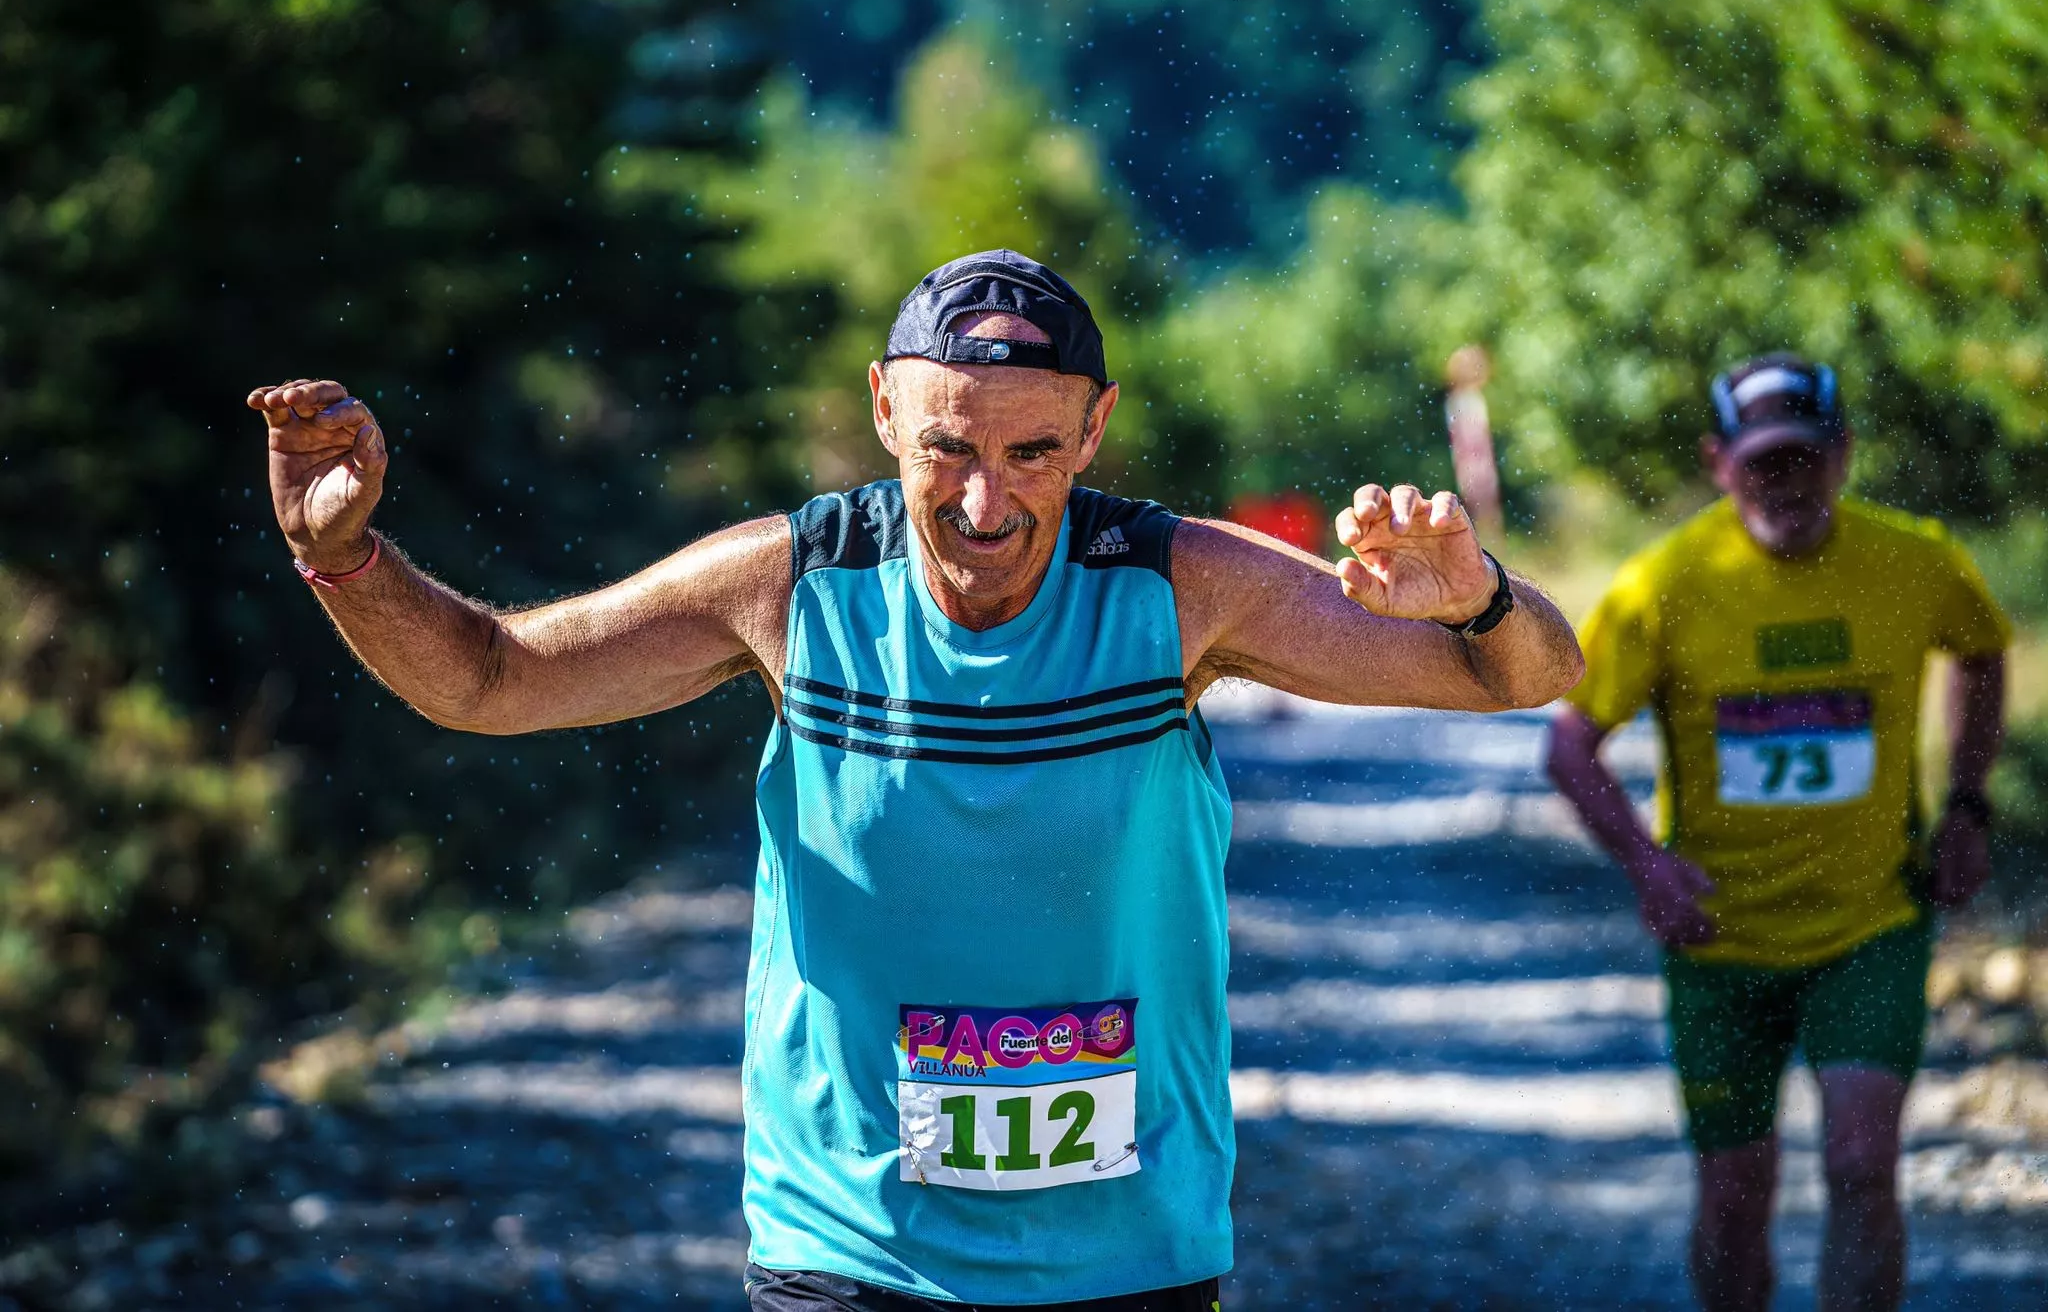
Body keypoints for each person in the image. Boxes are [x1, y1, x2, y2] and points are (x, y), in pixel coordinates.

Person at [249, 249, 1585, 1310]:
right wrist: (350, 558)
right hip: (850, 1247)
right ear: (885, 406)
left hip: (1128, 1253)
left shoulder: (1180, 590)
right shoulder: (790, 587)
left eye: (1034, 453)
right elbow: (489, 678)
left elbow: (1520, 676)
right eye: (947, 444)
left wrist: (1476, 600)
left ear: (1098, 427)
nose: (986, 500)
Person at [1546, 354, 2009, 1312]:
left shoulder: (1914, 560)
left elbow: (1983, 647)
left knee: (1861, 1162)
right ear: (1718, 462)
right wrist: (1647, 866)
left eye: (1802, 459)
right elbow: (1570, 744)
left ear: (1841, 454)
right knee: (1733, 1196)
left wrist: (1967, 804)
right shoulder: (1667, 582)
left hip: (1871, 922)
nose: (1783, 484)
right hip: (1721, 939)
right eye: (1761, 463)